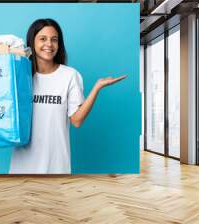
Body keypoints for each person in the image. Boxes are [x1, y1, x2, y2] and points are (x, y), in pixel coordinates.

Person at [9, 18, 126, 174]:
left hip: (56, 164)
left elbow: (76, 120)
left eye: (54, 40)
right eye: (43, 39)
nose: (49, 44)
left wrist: (97, 87)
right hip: (22, 163)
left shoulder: (70, 76)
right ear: (32, 42)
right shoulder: (20, 75)